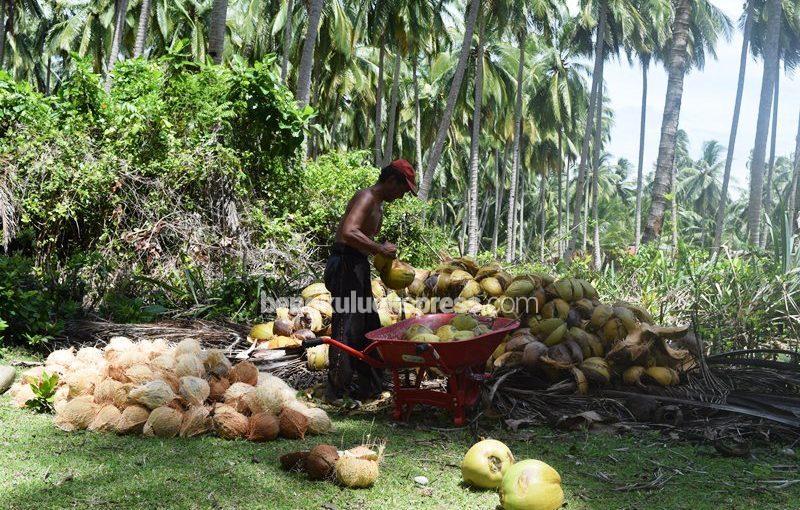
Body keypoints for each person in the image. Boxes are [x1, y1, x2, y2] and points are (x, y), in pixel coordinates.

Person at [323, 159, 417, 403]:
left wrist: (383, 258)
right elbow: (349, 232)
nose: (402, 195)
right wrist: (378, 248)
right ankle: (336, 392)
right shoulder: (366, 197)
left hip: (356, 264)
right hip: (345, 263)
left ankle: (369, 389)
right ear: (391, 181)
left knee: (368, 327)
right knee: (346, 326)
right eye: (402, 189)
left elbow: (361, 239)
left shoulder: (378, 204)